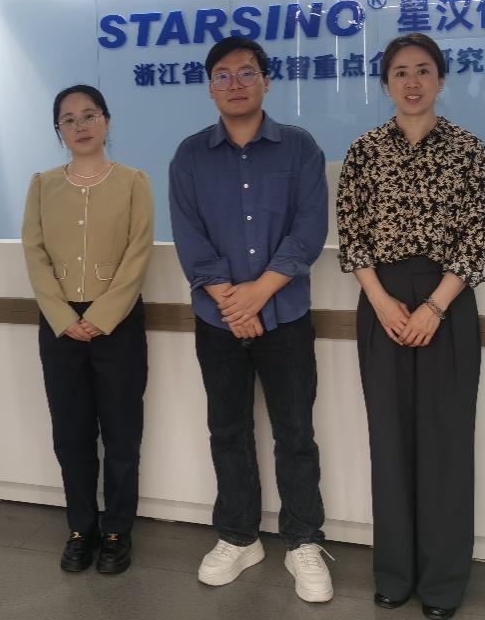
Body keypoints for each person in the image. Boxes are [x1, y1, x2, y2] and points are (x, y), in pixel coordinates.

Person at [336, 33, 485, 620]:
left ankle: (443, 583)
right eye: (400, 71)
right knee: (390, 440)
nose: (412, 81)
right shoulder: (363, 151)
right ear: (386, 83)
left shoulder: (468, 150)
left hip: (447, 302)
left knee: (446, 442)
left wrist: (434, 306)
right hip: (381, 302)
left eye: (423, 70)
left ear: (441, 79)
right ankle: (394, 574)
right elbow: (352, 234)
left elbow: (478, 234)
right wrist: (380, 301)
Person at [168, 36, 333, 603]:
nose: (234, 83)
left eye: (245, 72)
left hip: (285, 316)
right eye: (222, 75)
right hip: (218, 323)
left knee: (296, 433)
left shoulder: (299, 147)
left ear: (266, 80)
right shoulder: (190, 155)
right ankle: (239, 537)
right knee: (228, 430)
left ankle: (303, 541)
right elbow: (189, 237)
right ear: (210, 87)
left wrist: (256, 294)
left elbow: (309, 229)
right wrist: (230, 302)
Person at [21, 84, 154, 575]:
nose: (80, 126)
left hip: (117, 324)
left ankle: (117, 530)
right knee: (71, 434)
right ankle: (81, 528)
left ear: (107, 121)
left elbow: (138, 254)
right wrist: (63, 317)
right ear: (58, 130)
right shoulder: (42, 185)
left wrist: (102, 315)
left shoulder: (134, 182)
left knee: (121, 433)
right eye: (69, 119)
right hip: (60, 327)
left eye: (89, 115)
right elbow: (34, 253)